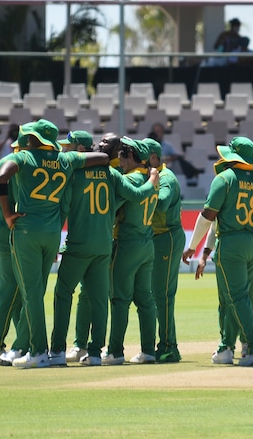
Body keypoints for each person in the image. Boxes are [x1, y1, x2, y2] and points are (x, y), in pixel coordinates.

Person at [0, 119, 110, 369]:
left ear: (35, 139)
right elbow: (101, 157)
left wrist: (7, 214)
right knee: (40, 290)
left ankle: (38, 351)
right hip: (52, 233)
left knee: (31, 293)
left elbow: (2, 176)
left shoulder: (24, 158)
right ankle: (38, 349)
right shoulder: (65, 160)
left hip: (26, 231)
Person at [50, 131, 159, 367]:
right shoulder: (112, 175)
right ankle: (95, 353)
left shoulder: (76, 173)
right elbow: (137, 195)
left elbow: (63, 208)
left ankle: (58, 350)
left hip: (79, 243)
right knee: (100, 300)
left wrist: (53, 242)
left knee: (63, 294)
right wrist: (152, 180)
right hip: (103, 245)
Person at [183, 136, 253, 366]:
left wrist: (193, 247)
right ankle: (229, 348)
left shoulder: (224, 179)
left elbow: (207, 217)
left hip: (231, 242)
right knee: (247, 297)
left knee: (233, 297)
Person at [66, 132, 123, 362]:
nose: (100, 144)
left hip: (101, 240)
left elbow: (125, 199)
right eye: (100, 141)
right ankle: (81, 345)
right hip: (97, 240)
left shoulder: (114, 172)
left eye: (106, 142)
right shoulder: (99, 167)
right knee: (86, 295)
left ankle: (93, 347)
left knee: (96, 296)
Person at [103, 137, 160, 365]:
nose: (119, 160)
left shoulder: (128, 180)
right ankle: (148, 350)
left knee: (119, 300)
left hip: (127, 244)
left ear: (129, 156)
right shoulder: (151, 180)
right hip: (147, 244)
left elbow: (112, 208)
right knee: (145, 300)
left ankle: (115, 351)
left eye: (122, 156)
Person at [0, 129, 28, 366]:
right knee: (7, 294)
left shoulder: (5, 162)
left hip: (6, 232)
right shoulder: (15, 165)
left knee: (9, 294)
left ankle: (15, 345)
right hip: (8, 233)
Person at [143, 137, 185, 363]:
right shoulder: (152, 175)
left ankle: (169, 346)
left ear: (152, 158)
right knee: (154, 293)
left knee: (163, 294)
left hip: (167, 237)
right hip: (155, 237)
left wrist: (149, 184)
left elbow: (162, 203)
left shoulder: (166, 178)